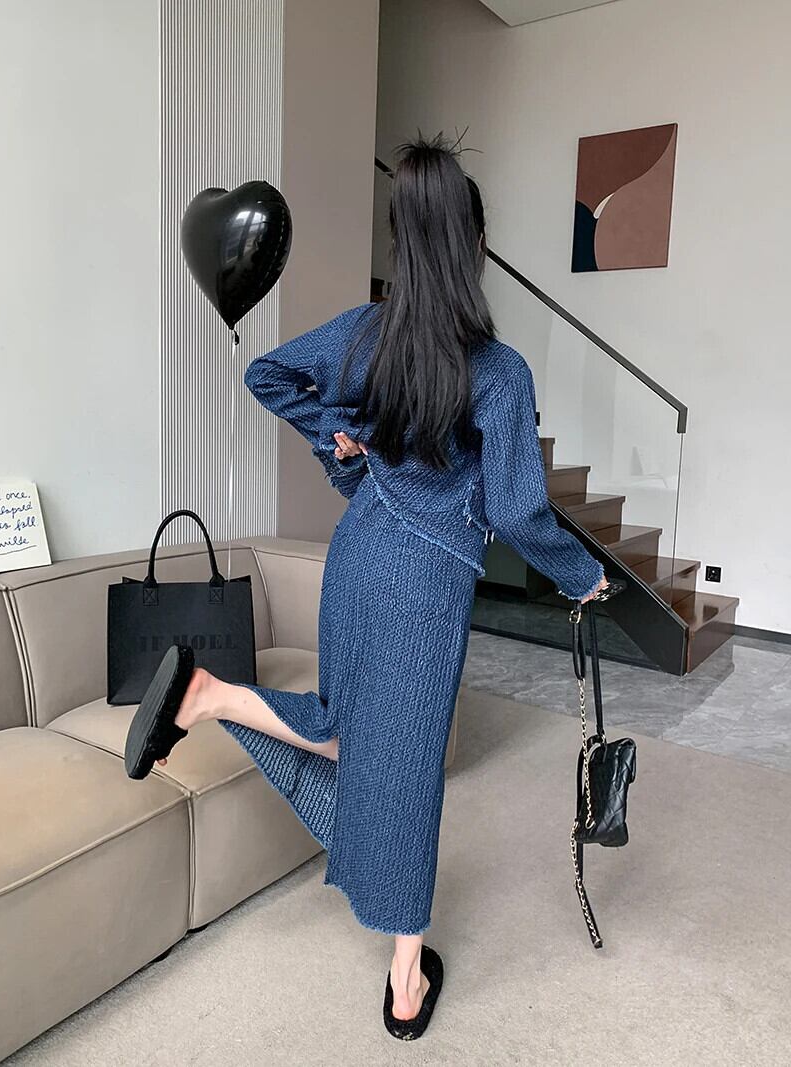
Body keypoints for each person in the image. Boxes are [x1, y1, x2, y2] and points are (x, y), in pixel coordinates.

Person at [124, 131, 608, 1041]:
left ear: (402, 243)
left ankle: (210, 694)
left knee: (349, 730)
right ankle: (405, 976)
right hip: (426, 590)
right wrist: (583, 577)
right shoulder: (499, 372)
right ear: (472, 246)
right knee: (406, 771)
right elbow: (517, 508)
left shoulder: (365, 335)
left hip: (355, 558)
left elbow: (266, 373)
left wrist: (342, 440)